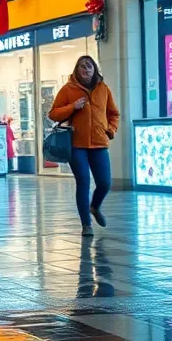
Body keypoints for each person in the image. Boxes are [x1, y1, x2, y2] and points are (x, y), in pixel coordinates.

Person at [48, 55, 120, 237]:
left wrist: (110, 130)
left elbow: (113, 113)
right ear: (77, 70)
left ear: (95, 69)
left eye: (89, 67)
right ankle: (86, 225)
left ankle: (94, 206)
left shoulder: (103, 89)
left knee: (104, 183)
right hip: (76, 144)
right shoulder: (68, 89)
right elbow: (53, 114)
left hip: (99, 143)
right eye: (82, 67)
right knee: (83, 182)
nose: (86, 70)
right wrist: (73, 106)